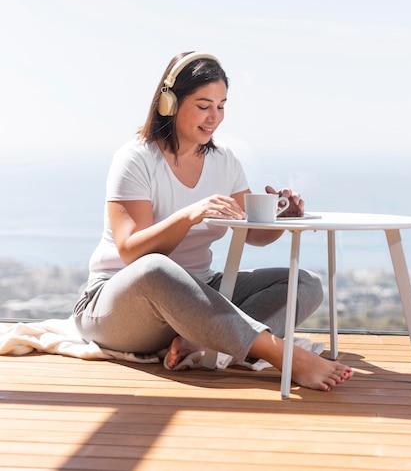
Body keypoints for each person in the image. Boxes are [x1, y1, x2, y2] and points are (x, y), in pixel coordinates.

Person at [73, 51, 353, 392]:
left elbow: (253, 236)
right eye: (203, 105)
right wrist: (189, 215)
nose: (214, 117)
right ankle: (286, 356)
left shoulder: (224, 161)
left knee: (304, 284)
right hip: (119, 306)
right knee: (155, 269)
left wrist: (279, 217)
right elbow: (132, 252)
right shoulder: (135, 159)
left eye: (221, 106)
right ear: (169, 103)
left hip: (200, 294)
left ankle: (203, 341)